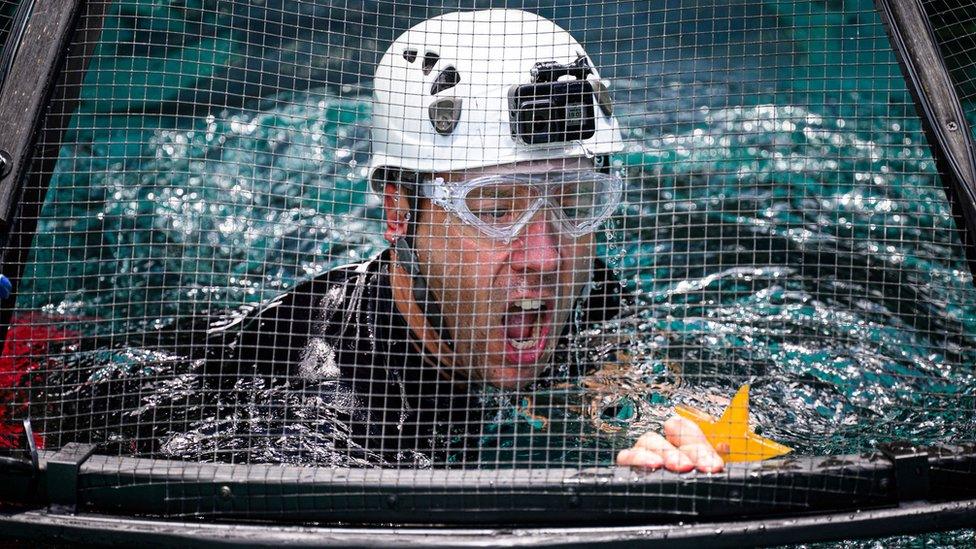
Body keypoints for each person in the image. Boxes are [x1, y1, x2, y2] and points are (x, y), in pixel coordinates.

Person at [200, 9, 723, 472]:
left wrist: (662, 431)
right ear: (399, 212)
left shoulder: (590, 296)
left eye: (575, 202)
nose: (545, 258)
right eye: (494, 209)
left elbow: (626, 386)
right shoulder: (322, 404)